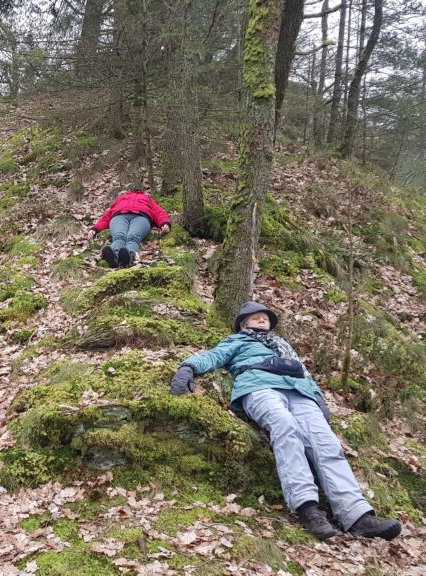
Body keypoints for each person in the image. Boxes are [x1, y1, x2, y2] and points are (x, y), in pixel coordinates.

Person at [170, 301, 401, 541]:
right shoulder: (237, 341)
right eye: (255, 317)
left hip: (300, 392)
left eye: (265, 317)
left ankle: (357, 515)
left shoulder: (283, 345)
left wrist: (318, 399)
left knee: (325, 442)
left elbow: (305, 374)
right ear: (243, 324)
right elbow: (214, 356)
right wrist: (188, 368)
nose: (262, 319)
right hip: (259, 387)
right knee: (285, 427)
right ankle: (307, 508)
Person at [87, 188, 171, 268]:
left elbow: (159, 212)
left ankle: (130, 256)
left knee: (133, 237)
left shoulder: (148, 198)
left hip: (141, 217)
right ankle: (113, 257)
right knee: (119, 236)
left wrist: (164, 223)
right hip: (119, 216)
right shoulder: (121, 198)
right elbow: (107, 216)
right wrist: (95, 228)